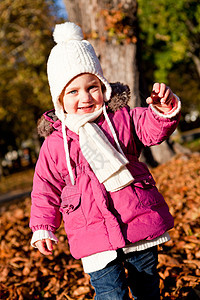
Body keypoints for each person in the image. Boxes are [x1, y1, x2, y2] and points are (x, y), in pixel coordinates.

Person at [30, 22, 181, 300]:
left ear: (103, 85)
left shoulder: (121, 119)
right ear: (59, 98)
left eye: (92, 87)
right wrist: (43, 227)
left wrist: (162, 112)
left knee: (147, 288)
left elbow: (149, 128)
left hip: (137, 223)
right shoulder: (55, 143)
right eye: (73, 92)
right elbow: (45, 187)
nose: (85, 97)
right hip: (93, 235)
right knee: (111, 295)